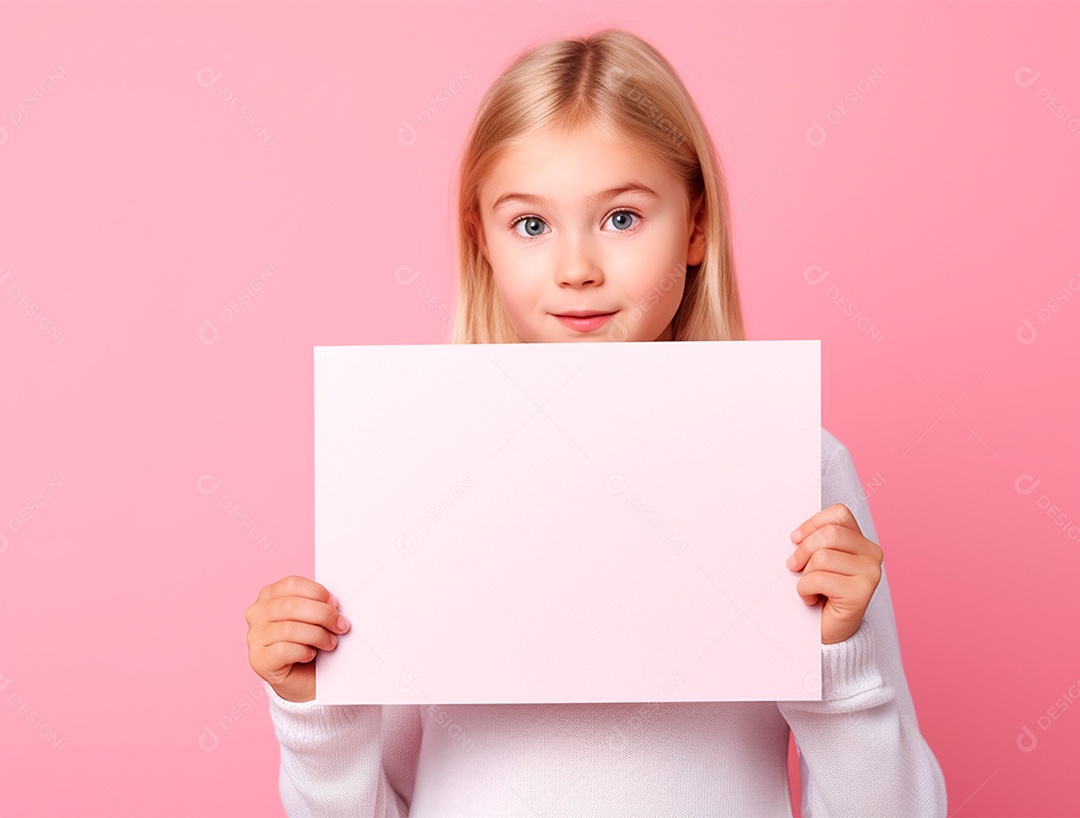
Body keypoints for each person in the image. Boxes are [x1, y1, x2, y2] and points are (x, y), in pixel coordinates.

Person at [245, 28, 948, 816]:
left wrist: (839, 661)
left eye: (620, 218)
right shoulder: (426, 465)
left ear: (695, 228)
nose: (577, 267)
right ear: (482, 241)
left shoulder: (795, 464)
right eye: (532, 225)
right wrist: (319, 711)